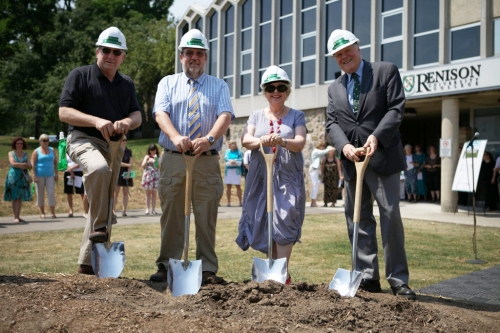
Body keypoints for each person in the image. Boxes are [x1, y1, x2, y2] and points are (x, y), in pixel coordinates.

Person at [325, 29, 416, 299]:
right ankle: (367, 277)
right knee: (358, 220)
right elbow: (332, 123)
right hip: (353, 163)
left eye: (347, 50)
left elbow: (396, 108)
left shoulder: (385, 71)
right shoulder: (334, 88)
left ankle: (398, 279)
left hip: (383, 158)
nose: (344, 57)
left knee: (390, 218)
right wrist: (345, 146)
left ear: (358, 47)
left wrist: (376, 136)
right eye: (338, 54)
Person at [150, 29, 234, 283]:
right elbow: (160, 113)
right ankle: (167, 265)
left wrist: (209, 138)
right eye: (189, 53)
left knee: (206, 214)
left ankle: (207, 268)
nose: (194, 58)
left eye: (199, 53)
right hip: (175, 158)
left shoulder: (219, 85)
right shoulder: (167, 83)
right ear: (181, 56)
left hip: (206, 159)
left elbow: (225, 116)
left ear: (205, 57)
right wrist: (176, 136)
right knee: (172, 214)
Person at [59, 26, 142, 275]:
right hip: (82, 139)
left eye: (117, 52)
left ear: (123, 56)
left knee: (104, 199)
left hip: (114, 145)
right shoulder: (80, 75)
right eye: (106, 50)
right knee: (99, 169)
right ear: (97, 51)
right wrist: (95, 121)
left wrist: (127, 122)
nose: (111, 56)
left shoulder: (126, 83)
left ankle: (86, 265)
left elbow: (137, 115)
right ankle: (104, 222)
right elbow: (64, 112)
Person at [236, 65, 307, 285]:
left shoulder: (297, 115)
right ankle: (271, 270)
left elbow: (300, 142)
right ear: (264, 91)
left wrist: (282, 141)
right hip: (261, 176)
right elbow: (246, 140)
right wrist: (261, 140)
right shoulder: (256, 116)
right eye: (270, 87)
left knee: (285, 218)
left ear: (287, 90)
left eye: (281, 87)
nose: (276, 91)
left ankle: (281, 273)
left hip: (286, 177)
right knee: (262, 218)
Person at [4, 137, 33, 223]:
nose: (19, 145)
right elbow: (13, 164)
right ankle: (15, 216)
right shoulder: (11, 153)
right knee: (15, 197)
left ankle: (18, 216)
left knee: (20, 197)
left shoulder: (26, 154)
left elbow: (30, 165)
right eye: (18, 143)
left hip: (23, 177)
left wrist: (23, 165)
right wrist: (24, 164)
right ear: (15, 144)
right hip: (13, 176)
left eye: (21, 143)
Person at [32, 133, 59, 219]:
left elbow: (56, 162)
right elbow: (33, 164)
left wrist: (56, 173)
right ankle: (42, 212)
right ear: (40, 141)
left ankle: (52, 213)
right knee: (40, 194)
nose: (46, 142)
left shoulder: (52, 150)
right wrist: (34, 176)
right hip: (39, 174)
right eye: (44, 140)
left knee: (51, 193)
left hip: (50, 175)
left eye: (47, 140)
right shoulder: (36, 151)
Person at [114, 138, 133, 216]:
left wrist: (128, 173)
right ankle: (113, 210)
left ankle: (124, 210)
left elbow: (131, 163)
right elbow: (117, 162)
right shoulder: (117, 150)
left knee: (125, 192)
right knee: (116, 192)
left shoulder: (129, 151)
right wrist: (127, 164)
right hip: (118, 172)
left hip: (126, 173)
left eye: (125, 140)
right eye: (122, 140)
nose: (124, 141)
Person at [309, 141, 331, 207]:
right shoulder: (316, 151)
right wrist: (329, 148)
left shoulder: (317, 152)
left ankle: (313, 201)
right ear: (320, 146)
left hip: (316, 171)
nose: (323, 148)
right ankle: (313, 202)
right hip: (314, 170)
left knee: (316, 186)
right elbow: (324, 152)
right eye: (323, 146)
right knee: (315, 186)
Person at [141, 143, 160, 215]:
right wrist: (146, 160)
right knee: (147, 193)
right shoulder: (147, 156)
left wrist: (156, 160)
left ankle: (154, 209)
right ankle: (147, 209)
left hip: (155, 175)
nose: (153, 152)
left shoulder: (157, 157)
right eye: (151, 150)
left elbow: (159, 167)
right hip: (148, 176)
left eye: (154, 150)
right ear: (149, 150)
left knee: (154, 193)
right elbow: (143, 165)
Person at [224, 140, 243, 207]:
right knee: (228, 186)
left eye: (231, 144)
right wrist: (230, 161)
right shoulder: (227, 151)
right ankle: (228, 202)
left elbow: (240, 160)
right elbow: (226, 158)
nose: (230, 145)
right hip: (229, 171)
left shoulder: (239, 152)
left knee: (238, 186)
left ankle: (240, 202)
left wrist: (235, 161)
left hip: (236, 171)